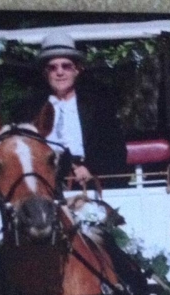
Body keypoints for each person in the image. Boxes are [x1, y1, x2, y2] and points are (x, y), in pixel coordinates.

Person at [37, 31, 127, 186]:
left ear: (76, 70)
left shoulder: (98, 106)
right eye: (53, 67)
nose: (60, 72)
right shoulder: (31, 109)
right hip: (45, 185)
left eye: (66, 66)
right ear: (46, 73)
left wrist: (90, 169)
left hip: (89, 182)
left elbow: (115, 149)